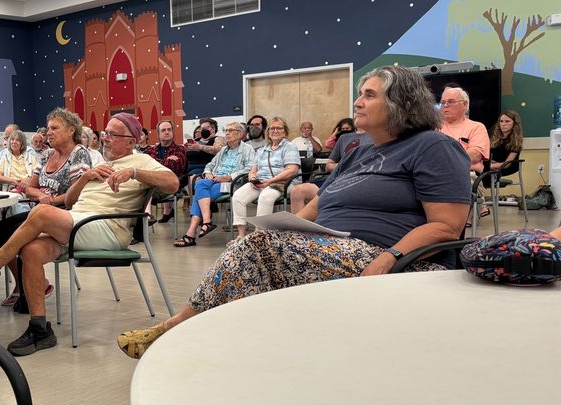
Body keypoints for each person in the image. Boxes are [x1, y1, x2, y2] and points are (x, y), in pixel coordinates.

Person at [118, 66, 472, 358]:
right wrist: (283, 228)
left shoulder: (433, 147)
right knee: (258, 246)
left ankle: (179, 332)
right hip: (333, 247)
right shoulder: (359, 151)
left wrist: (391, 257)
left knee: (256, 251)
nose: (357, 102)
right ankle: (237, 349)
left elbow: (446, 226)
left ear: (402, 103)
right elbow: (317, 206)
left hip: (395, 257)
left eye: (370, 95)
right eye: (360, 93)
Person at [0, 113, 178, 357]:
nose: (105, 139)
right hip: (79, 222)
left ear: (131, 141)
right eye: (106, 133)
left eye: (113, 135)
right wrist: (86, 177)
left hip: (107, 228)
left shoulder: (141, 160)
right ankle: (39, 329)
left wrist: (133, 172)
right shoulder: (100, 164)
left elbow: (172, 183)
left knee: (42, 212)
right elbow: (69, 201)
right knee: (31, 251)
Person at [0, 108, 91, 310]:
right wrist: (41, 196)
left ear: (71, 130)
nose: (48, 133)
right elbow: (30, 187)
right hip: (39, 210)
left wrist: (50, 201)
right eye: (48, 128)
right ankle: (26, 285)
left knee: (14, 236)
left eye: (54, 128)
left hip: (64, 215)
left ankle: (9, 280)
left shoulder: (78, 154)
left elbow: (76, 194)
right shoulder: (46, 155)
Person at [174, 123, 255, 247]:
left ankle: (191, 234)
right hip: (214, 180)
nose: (226, 133)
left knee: (198, 195)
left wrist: (229, 177)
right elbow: (210, 165)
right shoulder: (224, 150)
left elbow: (250, 168)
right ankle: (206, 222)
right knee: (201, 183)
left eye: (230, 130)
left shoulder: (247, 149)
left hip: (231, 183)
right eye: (226, 130)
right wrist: (208, 173)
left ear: (239, 134)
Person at [231, 117, 300, 239]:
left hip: (283, 183)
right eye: (272, 128)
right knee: (238, 196)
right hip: (262, 182)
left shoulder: (289, 147)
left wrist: (270, 181)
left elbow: (291, 170)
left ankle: (259, 235)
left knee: (265, 197)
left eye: (279, 128)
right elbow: (253, 170)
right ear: (268, 132)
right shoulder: (262, 150)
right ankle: (241, 235)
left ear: (285, 132)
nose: (275, 131)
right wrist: (252, 178)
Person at [289, 125, 372, 212]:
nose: (358, 112)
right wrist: (342, 165)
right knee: (298, 191)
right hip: (336, 179)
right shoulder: (344, 138)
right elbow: (328, 165)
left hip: (359, 181)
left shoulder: (378, 138)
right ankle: (301, 225)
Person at [143, 119, 187, 223]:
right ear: (158, 134)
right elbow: (144, 165)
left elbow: (175, 167)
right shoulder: (151, 150)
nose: (167, 132)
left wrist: (155, 163)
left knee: (143, 191)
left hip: (171, 184)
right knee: (134, 191)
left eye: (169, 129)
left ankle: (146, 217)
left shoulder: (180, 149)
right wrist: (166, 160)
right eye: (163, 130)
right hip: (154, 184)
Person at [438, 84, 489, 171]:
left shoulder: (477, 127)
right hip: (436, 173)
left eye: (451, 102)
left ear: (465, 104)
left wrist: (444, 161)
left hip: (466, 174)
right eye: (443, 102)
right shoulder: (434, 127)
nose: (445, 105)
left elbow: (475, 155)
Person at [0, 129, 40, 195]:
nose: (14, 142)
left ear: (22, 143)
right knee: (17, 197)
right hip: (11, 188)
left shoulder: (31, 157)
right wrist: (14, 181)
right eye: (12, 139)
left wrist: (28, 180)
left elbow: (38, 175)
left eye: (17, 140)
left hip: (27, 187)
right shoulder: (5, 158)